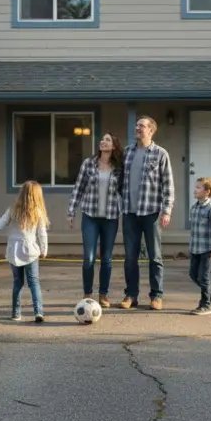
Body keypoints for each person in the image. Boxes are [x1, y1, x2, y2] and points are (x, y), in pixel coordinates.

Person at [119, 116, 175, 311]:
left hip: (151, 213)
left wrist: (166, 211)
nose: (138, 128)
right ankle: (131, 295)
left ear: (151, 130)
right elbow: (119, 182)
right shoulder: (127, 153)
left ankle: (156, 295)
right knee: (130, 257)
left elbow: (168, 186)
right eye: (136, 125)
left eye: (142, 126)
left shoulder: (160, 154)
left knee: (155, 256)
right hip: (129, 213)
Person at [67, 132, 124, 308]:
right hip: (90, 216)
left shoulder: (119, 167)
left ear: (114, 146)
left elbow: (124, 191)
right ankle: (87, 293)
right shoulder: (88, 164)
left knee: (106, 258)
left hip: (110, 217)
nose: (103, 142)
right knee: (89, 258)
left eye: (107, 140)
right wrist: (71, 211)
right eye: (102, 139)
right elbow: (79, 187)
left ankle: (103, 295)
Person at [0, 180, 50, 323]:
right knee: (34, 283)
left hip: (14, 251)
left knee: (17, 282)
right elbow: (42, 233)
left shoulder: (13, 210)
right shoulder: (38, 212)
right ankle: (38, 312)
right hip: (30, 251)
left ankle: (16, 313)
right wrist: (44, 249)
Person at [188, 177, 211, 316]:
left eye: (198, 188)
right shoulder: (194, 208)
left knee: (203, 277)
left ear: (207, 191)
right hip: (195, 248)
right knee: (193, 274)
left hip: (207, 249)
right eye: (195, 187)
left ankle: (205, 305)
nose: (195, 190)